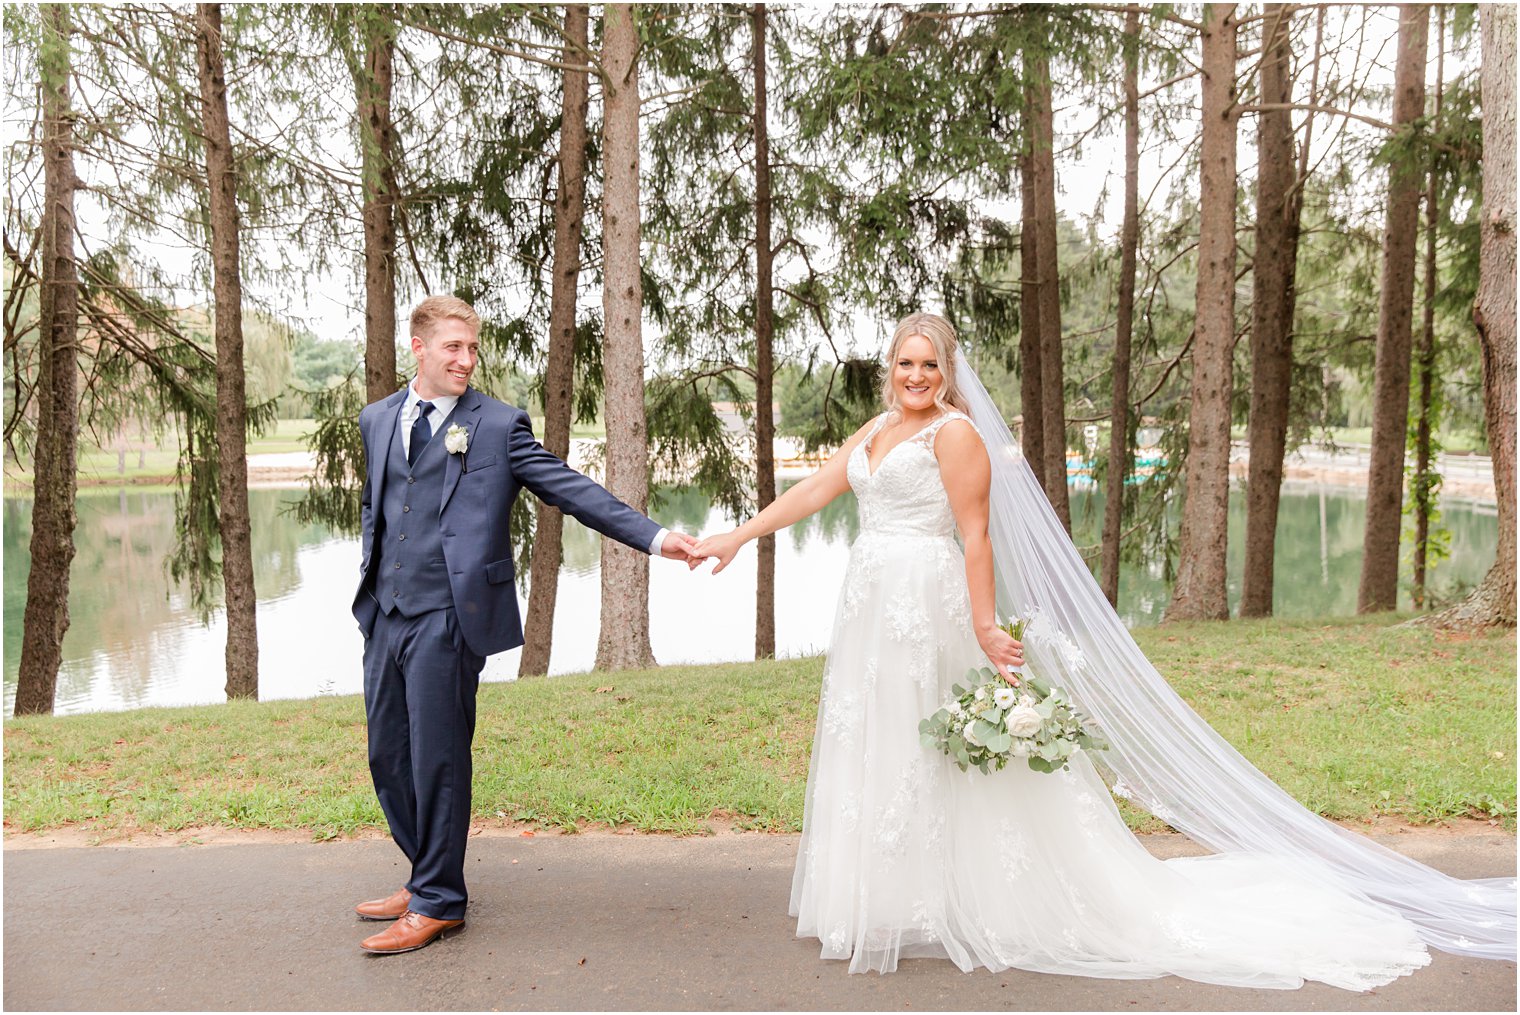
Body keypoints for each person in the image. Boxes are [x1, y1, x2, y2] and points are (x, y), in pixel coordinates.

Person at [691, 312, 1514, 988]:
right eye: (904, 364)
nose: (915, 377)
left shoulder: (955, 437)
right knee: (882, 741)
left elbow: (976, 537)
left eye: (928, 365)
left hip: (928, 603)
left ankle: (997, 894)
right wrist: (736, 534)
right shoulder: (876, 428)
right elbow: (815, 490)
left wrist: (985, 625)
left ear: (946, 372)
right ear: (890, 369)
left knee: (937, 743)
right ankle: (901, 893)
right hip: (870, 601)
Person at [350, 295, 700, 954]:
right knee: (388, 754)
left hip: (448, 617)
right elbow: (377, 503)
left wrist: (655, 539)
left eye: (473, 348)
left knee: (438, 758)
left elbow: (571, 490)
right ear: (418, 347)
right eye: (453, 346)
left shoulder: (497, 425)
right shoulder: (377, 419)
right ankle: (427, 870)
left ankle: (439, 900)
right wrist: (372, 582)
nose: (466, 359)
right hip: (386, 612)